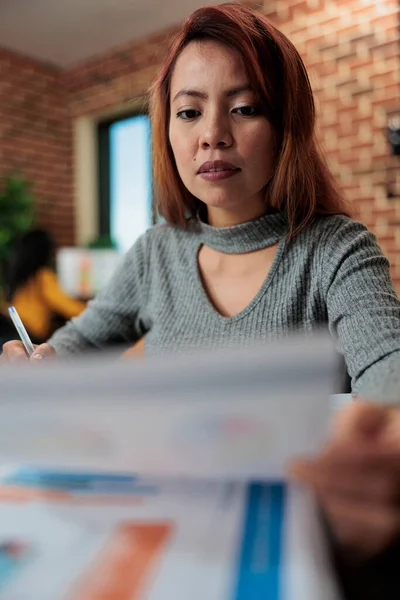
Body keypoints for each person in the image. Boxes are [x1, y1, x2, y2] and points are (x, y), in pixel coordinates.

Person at [2, 4, 400, 596]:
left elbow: (388, 372)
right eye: (189, 111)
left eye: (244, 108)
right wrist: (37, 365)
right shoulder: (155, 252)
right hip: (167, 540)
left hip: (290, 544)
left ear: (286, 124)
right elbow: (72, 345)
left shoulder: (336, 248)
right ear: (167, 130)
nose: (212, 132)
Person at [3, 229, 86, 342]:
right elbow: (67, 307)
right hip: (27, 337)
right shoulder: (42, 276)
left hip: (7, 332)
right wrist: (95, 312)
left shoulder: (14, 277)